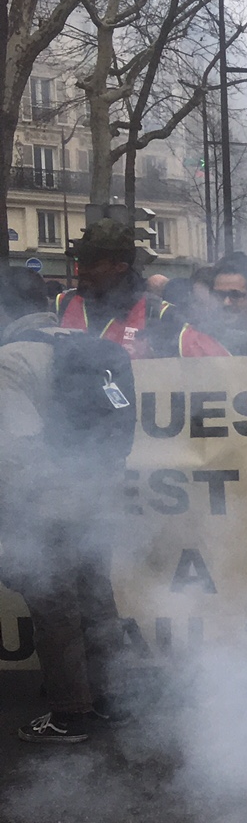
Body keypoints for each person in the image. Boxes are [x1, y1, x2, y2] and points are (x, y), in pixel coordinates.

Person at [0, 267, 132, 740]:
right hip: (98, 494)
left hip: (46, 502)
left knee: (54, 606)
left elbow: (17, 448)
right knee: (95, 597)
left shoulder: (11, 359)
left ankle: (70, 712)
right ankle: (112, 698)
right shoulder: (93, 347)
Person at [54, 219, 219, 357]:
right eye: (80, 261)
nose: (81, 270)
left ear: (120, 267)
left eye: (91, 264)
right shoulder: (62, 304)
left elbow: (221, 367)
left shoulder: (158, 315)